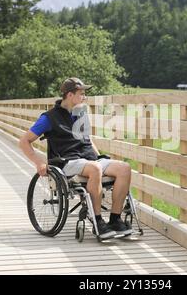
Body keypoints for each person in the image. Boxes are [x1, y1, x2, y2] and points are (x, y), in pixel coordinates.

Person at [19, 77, 133, 239]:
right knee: (95, 168)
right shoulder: (49, 118)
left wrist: (98, 156)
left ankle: (115, 219)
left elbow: (88, 140)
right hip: (67, 161)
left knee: (124, 168)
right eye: (82, 94)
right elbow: (24, 141)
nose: (84, 97)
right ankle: (97, 221)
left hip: (89, 159)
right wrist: (39, 163)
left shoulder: (81, 114)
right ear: (70, 95)